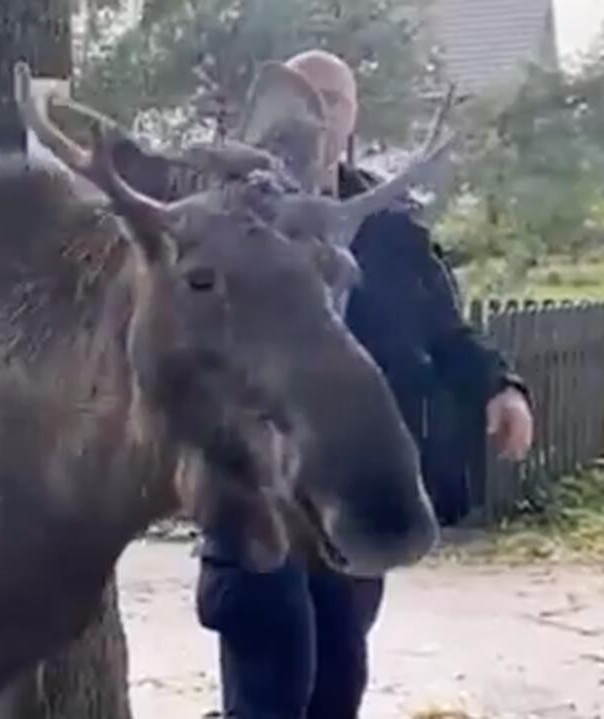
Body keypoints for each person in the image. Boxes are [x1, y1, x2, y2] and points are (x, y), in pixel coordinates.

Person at [195, 49, 535, 719]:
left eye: (333, 103)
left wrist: (502, 387)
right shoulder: (231, 222)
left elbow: (446, 332)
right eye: (305, 99)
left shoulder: (390, 230)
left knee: (339, 676)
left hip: (351, 496)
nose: (318, 117)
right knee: (273, 679)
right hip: (258, 496)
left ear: (352, 120)